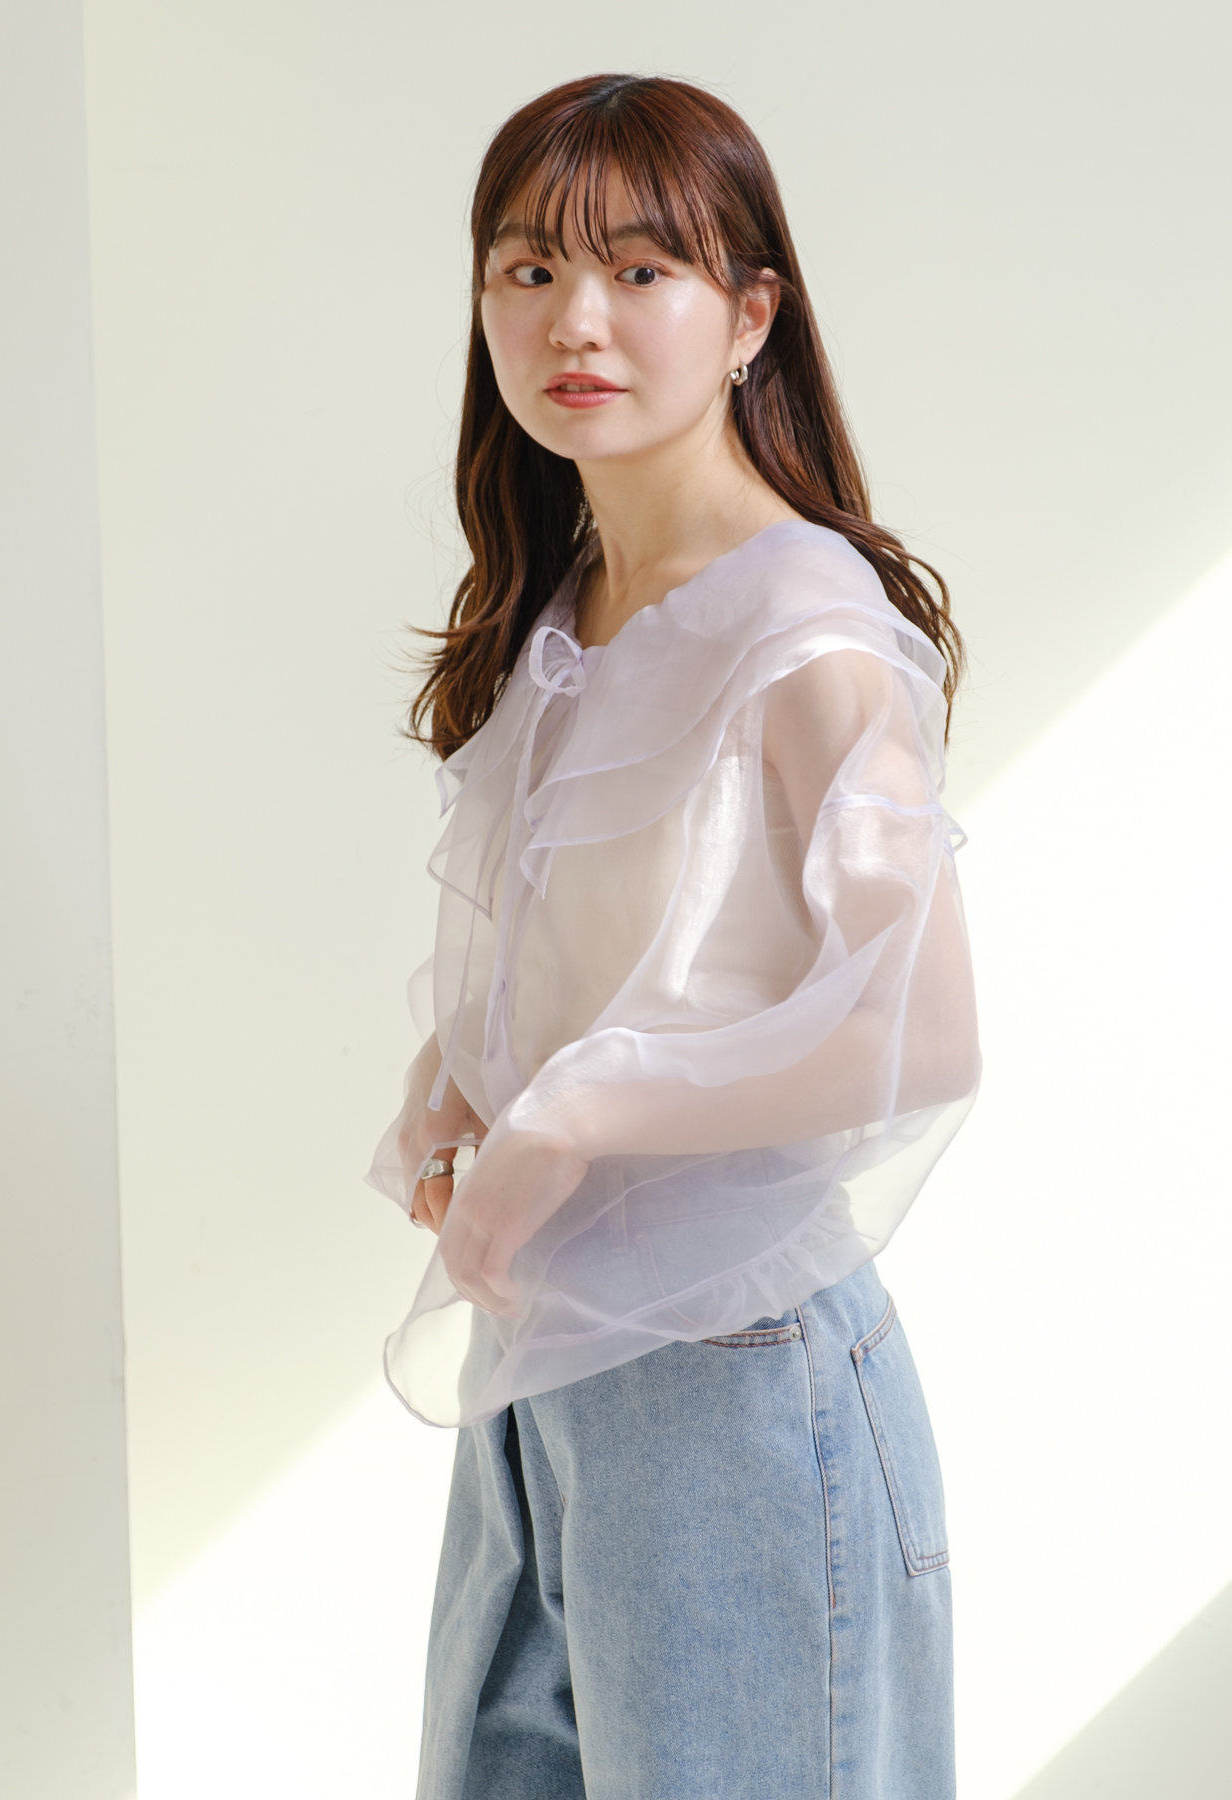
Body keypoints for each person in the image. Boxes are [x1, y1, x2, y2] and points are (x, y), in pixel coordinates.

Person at [364, 72, 982, 1800]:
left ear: (750, 314)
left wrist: (577, 1112)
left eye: (643, 271)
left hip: (736, 1375)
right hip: (554, 1372)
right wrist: (465, 1073)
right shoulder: (569, 606)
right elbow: (644, 940)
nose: (577, 320)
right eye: (529, 269)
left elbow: (922, 1032)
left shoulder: (807, 631)